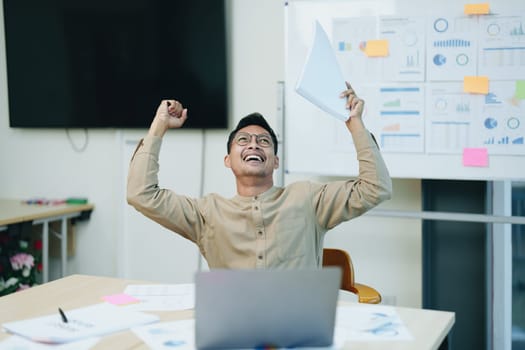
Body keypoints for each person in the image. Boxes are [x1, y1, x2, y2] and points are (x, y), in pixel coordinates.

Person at [127, 82, 392, 269]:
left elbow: (375, 188)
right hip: (234, 331)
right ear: (228, 161)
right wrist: (158, 127)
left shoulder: (308, 198)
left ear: (275, 161)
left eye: (264, 141)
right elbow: (141, 195)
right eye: (243, 140)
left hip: (297, 330)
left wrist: (355, 123)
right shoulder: (207, 213)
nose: (253, 144)